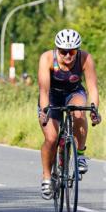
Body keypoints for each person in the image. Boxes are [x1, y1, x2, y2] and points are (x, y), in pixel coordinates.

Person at [36, 28, 101, 198]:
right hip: (52, 95)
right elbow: (43, 90)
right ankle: (47, 177)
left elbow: (93, 88)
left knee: (79, 113)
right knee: (51, 138)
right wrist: (44, 111)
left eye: (72, 52)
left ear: (77, 50)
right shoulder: (47, 58)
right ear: (58, 50)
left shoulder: (85, 58)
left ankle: (80, 154)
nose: (67, 56)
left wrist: (94, 109)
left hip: (74, 93)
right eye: (63, 52)